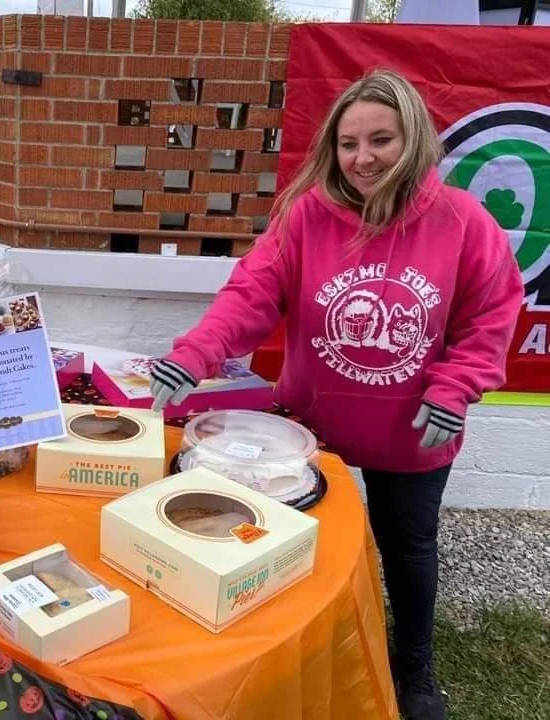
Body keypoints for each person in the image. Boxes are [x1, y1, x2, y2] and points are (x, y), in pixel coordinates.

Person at [150, 69, 523, 720]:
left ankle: (414, 670)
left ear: (415, 141)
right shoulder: (307, 215)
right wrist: (197, 352)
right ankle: (301, 651)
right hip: (311, 424)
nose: (363, 158)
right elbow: (252, 295)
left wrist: (457, 386)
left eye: (382, 139)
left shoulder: (465, 222)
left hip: (414, 430)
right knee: (296, 545)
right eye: (350, 144)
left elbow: (491, 315)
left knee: (407, 549)